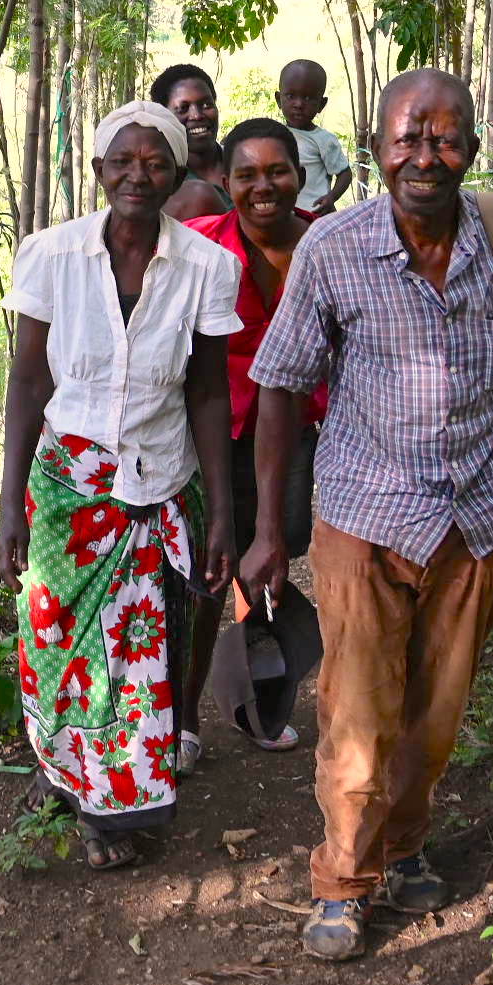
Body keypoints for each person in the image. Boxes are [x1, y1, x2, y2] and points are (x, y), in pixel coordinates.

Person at [242, 67, 493, 961]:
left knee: (435, 716)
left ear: (470, 147)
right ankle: (343, 881)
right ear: (377, 148)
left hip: (483, 515)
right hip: (366, 514)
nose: (425, 156)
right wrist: (271, 532)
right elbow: (278, 385)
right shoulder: (334, 249)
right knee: (358, 710)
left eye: (443, 138)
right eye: (408, 138)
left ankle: (401, 846)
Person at [0, 99, 241, 870]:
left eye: (156, 161)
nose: (140, 174)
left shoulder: (208, 266)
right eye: (123, 162)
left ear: (176, 173)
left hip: (160, 483)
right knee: (55, 641)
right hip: (68, 486)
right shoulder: (51, 254)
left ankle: (123, 811)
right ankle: (67, 774)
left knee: (145, 651)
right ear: (99, 171)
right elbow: (28, 383)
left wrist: (222, 516)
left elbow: (207, 394)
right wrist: (9, 505)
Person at [180, 119, 328, 754]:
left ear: (299, 175)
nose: (262, 187)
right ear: (225, 181)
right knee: (208, 576)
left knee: (277, 550)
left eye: (276, 172)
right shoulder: (198, 247)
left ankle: (261, 685)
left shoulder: (330, 244)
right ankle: (185, 721)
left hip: (297, 430)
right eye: (246, 175)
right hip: (215, 433)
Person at [150, 63, 229, 221]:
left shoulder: (243, 161)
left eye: (206, 105)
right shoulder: (158, 184)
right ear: (163, 117)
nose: (197, 115)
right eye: (183, 108)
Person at [276, 59, 354, 214]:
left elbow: (345, 174)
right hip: (283, 216)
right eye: (291, 96)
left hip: (315, 215)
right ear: (279, 99)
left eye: (308, 98)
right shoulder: (275, 134)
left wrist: (331, 197)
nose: (298, 104)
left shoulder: (323, 140)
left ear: (321, 105)